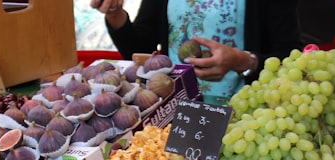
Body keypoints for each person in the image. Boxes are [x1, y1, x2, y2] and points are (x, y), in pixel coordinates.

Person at [89, 0, 314, 104]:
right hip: (176, 113)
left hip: (246, 117)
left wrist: (244, 61)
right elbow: (138, 48)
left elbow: (289, 56)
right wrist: (115, 14)